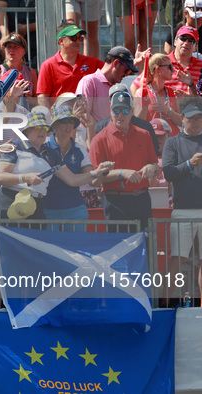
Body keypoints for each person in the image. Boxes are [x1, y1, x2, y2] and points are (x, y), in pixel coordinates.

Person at [0, 112, 113, 220]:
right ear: (27, 131)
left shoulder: (51, 154)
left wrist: (96, 173)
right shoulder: (14, 146)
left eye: (45, 128)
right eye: (37, 128)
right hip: (11, 200)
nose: (42, 132)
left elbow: (72, 179)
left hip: (36, 205)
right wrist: (25, 178)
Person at [89, 91, 159, 231]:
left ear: (132, 112)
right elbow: (94, 180)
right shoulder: (99, 139)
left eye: (125, 110)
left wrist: (152, 168)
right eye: (116, 110)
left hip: (142, 198)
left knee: (147, 246)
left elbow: (155, 165)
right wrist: (121, 173)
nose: (120, 115)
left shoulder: (144, 134)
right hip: (116, 202)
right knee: (121, 248)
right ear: (110, 110)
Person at [162, 97, 202, 306]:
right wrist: (189, 164)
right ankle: (166, 305)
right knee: (177, 259)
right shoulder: (173, 142)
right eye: (191, 118)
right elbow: (168, 173)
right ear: (182, 119)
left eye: (199, 118)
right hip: (182, 210)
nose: (195, 122)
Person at [43, 106, 105, 231]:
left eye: (72, 121)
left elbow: (92, 180)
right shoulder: (43, 146)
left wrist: (102, 173)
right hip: (47, 209)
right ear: (55, 125)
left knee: (77, 248)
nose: (69, 125)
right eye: (64, 121)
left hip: (74, 209)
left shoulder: (80, 150)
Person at [37, 23, 104, 108]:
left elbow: (111, 72)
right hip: (61, 118)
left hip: (86, 117)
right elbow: (42, 97)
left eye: (80, 38)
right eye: (74, 38)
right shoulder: (48, 65)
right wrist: (50, 118)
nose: (78, 42)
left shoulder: (92, 62)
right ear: (61, 41)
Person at [75, 46, 139, 124]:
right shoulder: (88, 82)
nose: (127, 75)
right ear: (115, 63)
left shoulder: (120, 88)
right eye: (126, 70)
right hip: (95, 135)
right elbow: (82, 116)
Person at [135, 25, 201, 96]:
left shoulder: (201, 67)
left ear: (196, 47)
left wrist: (190, 98)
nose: (186, 43)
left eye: (191, 41)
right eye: (183, 38)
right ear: (175, 41)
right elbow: (135, 87)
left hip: (192, 106)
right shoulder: (160, 62)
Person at [134, 54, 182, 137]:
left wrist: (168, 111)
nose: (173, 70)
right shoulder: (141, 93)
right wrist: (144, 106)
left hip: (172, 143)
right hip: (152, 142)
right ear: (158, 69)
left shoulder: (173, 92)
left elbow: (182, 122)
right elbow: (137, 124)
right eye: (170, 67)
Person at [0, 33, 38, 97]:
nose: (11, 50)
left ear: (24, 51)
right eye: (9, 47)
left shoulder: (31, 72)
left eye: (15, 47)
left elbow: (37, 100)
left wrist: (29, 99)